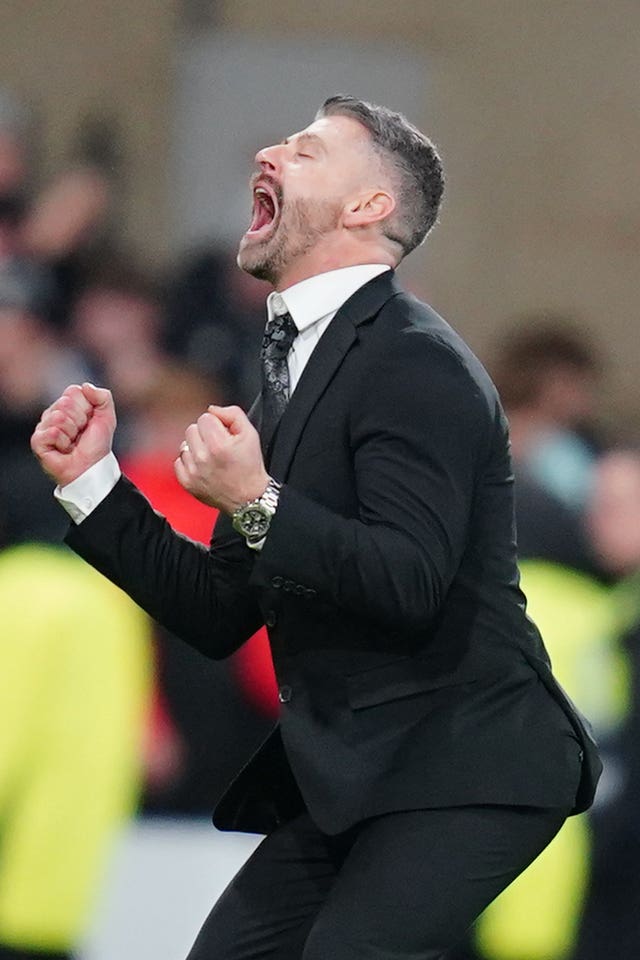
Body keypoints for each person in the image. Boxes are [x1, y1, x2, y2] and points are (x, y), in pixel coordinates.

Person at [31, 95, 601, 960]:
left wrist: (257, 498)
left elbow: (408, 582)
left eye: (306, 151)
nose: (269, 152)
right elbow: (217, 612)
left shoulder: (416, 359)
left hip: (468, 762)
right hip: (360, 769)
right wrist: (93, 483)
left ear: (368, 206)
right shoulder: (295, 366)